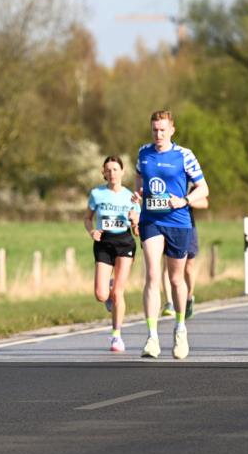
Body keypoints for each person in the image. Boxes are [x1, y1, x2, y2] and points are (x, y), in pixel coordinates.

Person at [135, 110, 209, 359]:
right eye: (155, 129)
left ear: (172, 130)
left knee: (176, 280)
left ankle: (180, 329)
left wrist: (184, 200)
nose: (158, 134)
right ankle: (152, 337)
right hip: (151, 220)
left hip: (178, 221)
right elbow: (139, 178)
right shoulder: (143, 152)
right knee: (153, 276)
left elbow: (203, 188)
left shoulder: (184, 155)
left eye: (163, 130)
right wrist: (139, 197)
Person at [85, 156, 140, 352]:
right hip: (104, 243)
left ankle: (116, 336)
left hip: (124, 243)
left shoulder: (131, 197)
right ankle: (108, 290)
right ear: (103, 172)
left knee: (118, 292)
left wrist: (135, 221)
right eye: (108, 170)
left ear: (122, 172)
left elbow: (137, 231)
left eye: (115, 169)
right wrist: (92, 231)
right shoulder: (96, 194)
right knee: (101, 295)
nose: (112, 173)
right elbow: (87, 219)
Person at [161, 184, 206, 319]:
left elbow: (204, 202)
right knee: (167, 266)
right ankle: (169, 302)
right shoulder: (166, 183)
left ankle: (188, 297)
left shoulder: (192, 184)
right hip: (165, 224)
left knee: (188, 266)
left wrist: (184, 200)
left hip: (187, 226)